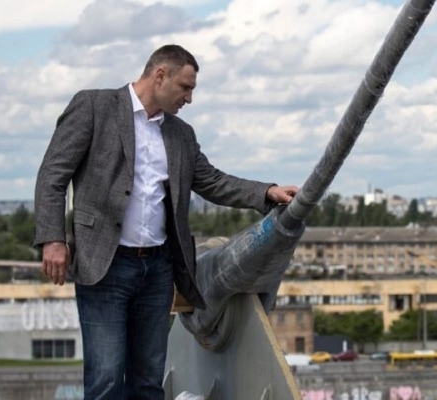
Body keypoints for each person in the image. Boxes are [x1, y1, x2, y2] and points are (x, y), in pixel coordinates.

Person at [33, 44, 298, 400]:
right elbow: (52, 175)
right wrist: (53, 239)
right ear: (160, 75)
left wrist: (266, 192)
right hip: (104, 266)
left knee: (148, 381)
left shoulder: (180, 134)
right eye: (185, 88)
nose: (189, 98)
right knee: (106, 379)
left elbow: (212, 181)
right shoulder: (94, 107)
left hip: (157, 269)